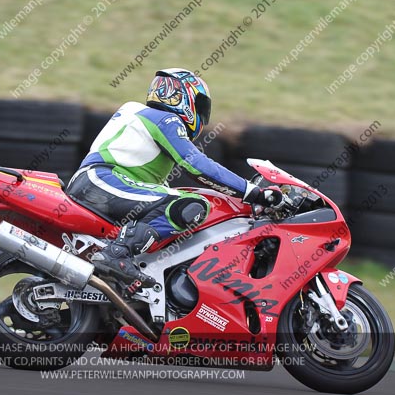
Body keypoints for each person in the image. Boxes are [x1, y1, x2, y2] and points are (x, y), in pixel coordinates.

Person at [66, 68, 275, 293]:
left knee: (176, 207)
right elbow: (196, 164)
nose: (203, 115)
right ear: (181, 96)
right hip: (100, 181)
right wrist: (253, 192)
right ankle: (116, 255)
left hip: (103, 184)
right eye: (201, 106)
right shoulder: (162, 118)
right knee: (190, 205)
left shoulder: (142, 121)